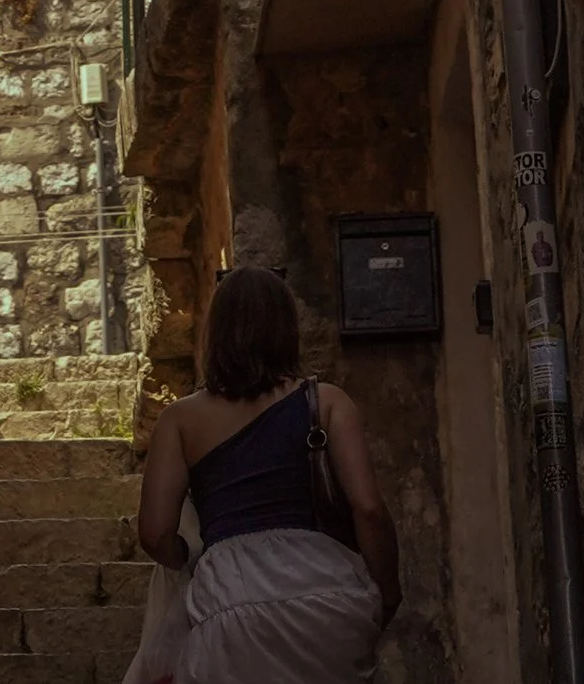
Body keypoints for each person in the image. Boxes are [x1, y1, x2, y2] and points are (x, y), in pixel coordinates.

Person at [132, 266, 397, 682]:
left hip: (230, 601)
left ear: (215, 332)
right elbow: (368, 508)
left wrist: (188, 561)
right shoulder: (327, 402)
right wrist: (387, 594)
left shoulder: (180, 420)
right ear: (287, 329)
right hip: (329, 595)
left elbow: (153, 532)